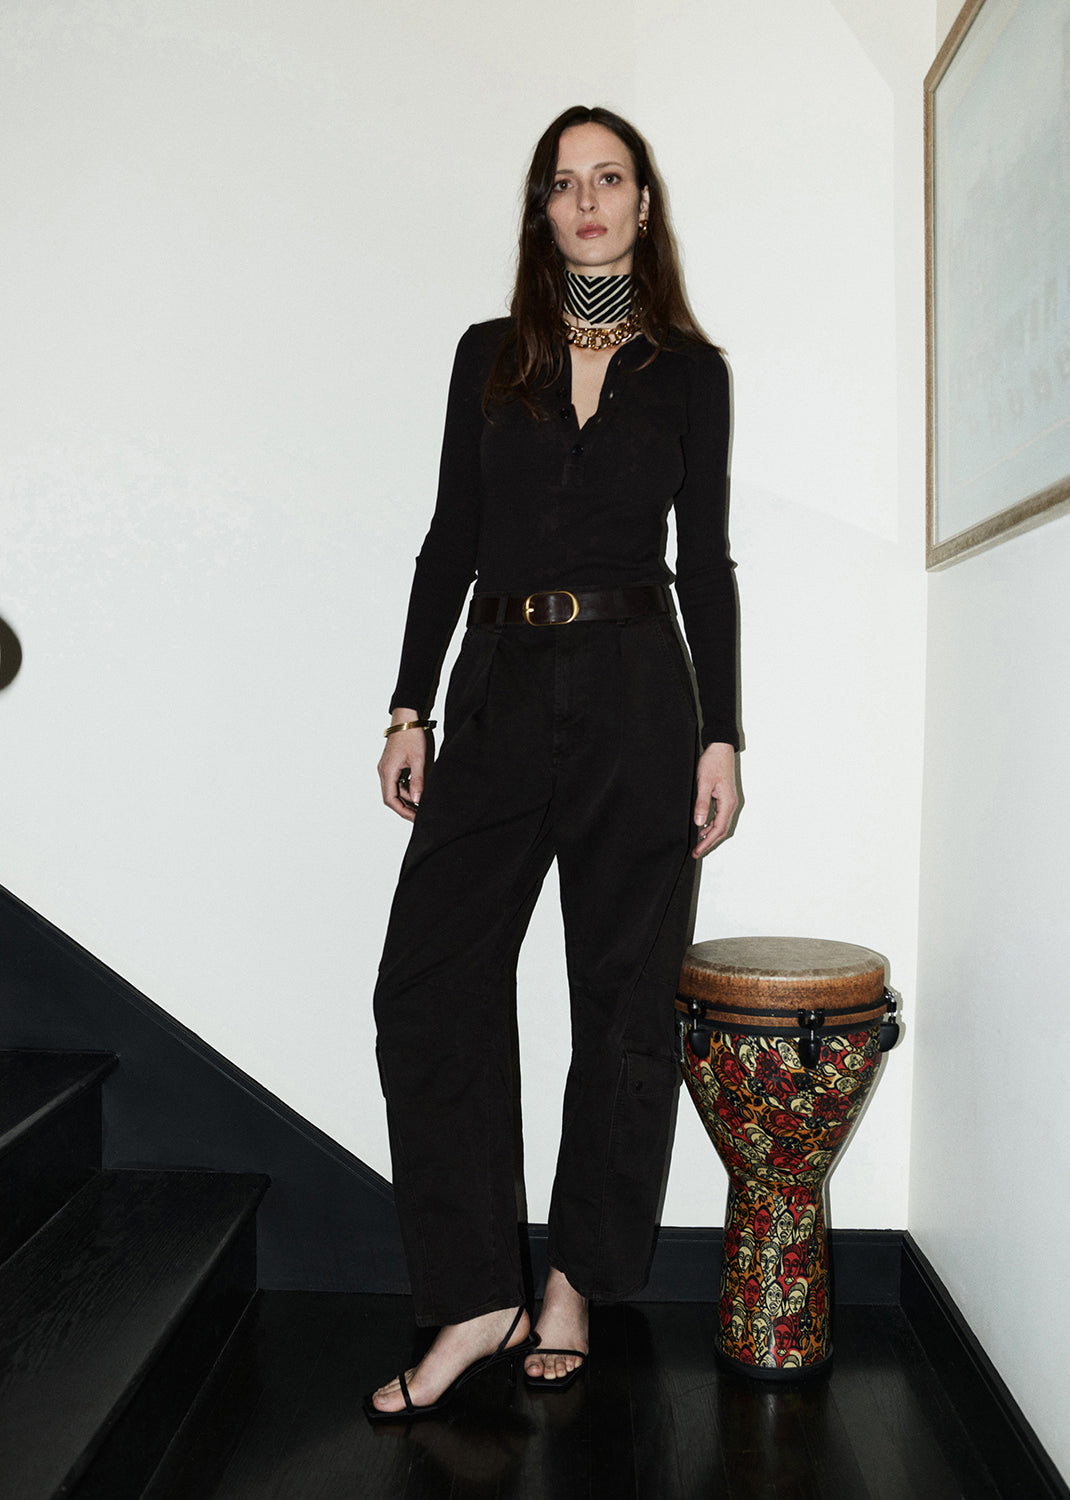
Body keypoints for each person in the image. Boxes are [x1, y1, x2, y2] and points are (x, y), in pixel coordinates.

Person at [365, 104, 740, 1420]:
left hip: (641, 692)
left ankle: (575, 1277)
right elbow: (446, 542)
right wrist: (410, 705)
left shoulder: (689, 371)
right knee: (427, 984)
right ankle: (475, 1294)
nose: (586, 199)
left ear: (643, 205)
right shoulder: (488, 358)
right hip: (503, 689)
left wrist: (720, 734)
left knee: (621, 1002)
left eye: (609, 177)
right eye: (562, 181)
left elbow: (709, 564)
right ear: (540, 210)